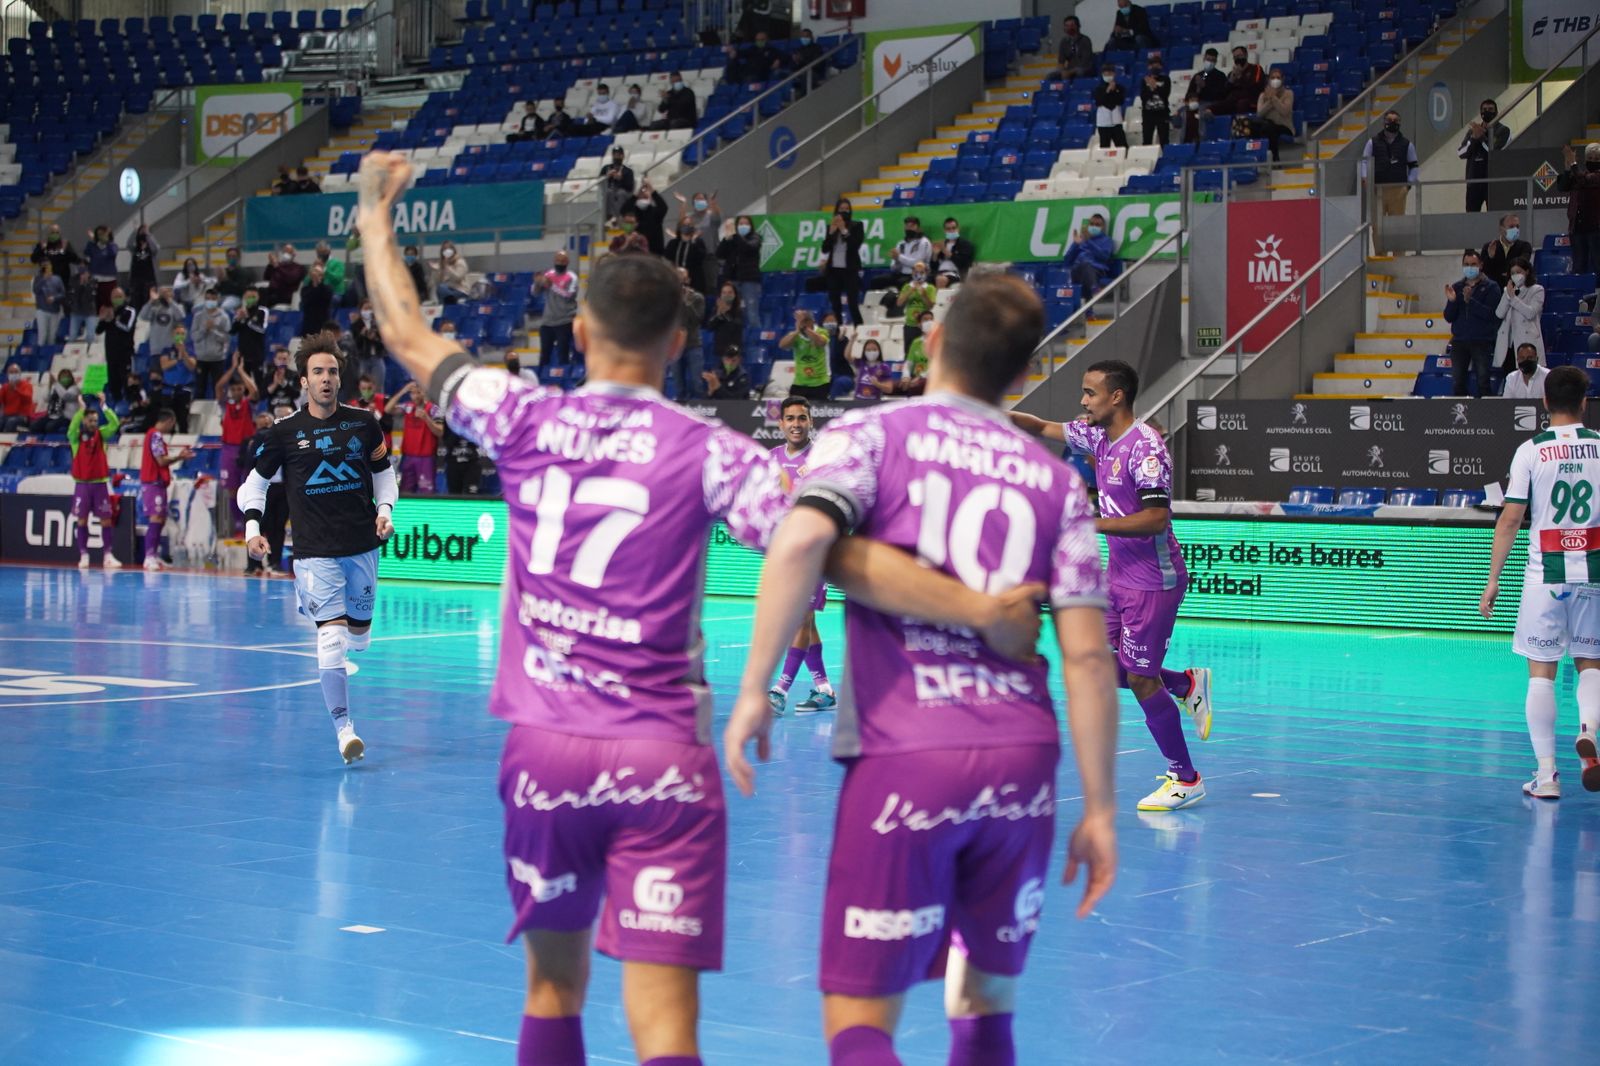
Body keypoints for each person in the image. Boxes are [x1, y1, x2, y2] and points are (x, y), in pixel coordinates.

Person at [352, 151, 1042, 1066]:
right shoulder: (713, 451)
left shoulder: (520, 415)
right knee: (667, 1032)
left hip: (546, 749)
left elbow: (404, 331)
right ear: (679, 343)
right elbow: (822, 552)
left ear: (580, 332)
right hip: (661, 757)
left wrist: (374, 215)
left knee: (552, 990)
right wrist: (977, 606)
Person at [724, 274, 1119, 1066]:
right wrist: (1102, 807)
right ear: (1022, 374)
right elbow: (1085, 653)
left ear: (932, 342)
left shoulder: (871, 435)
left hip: (907, 749)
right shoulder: (1059, 484)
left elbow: (802, 542)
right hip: (1021, 758)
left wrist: (754, 688)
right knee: (985, 1007)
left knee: (861, 1022)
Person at [1011, 360, 1216, 812]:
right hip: (1119, 577)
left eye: (1090, 393)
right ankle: (1184, 684)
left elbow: (1156, 518)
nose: (1083, 401)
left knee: (1140, 678)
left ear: (1116, 396)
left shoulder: (1146, 449)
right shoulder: (1096, 436)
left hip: (1153, 581)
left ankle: (1186, 778)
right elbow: (1041, 425)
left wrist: (1088, 523)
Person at [237, 335, 397, 764]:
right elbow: (253, 484)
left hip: (362, 546)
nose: (326, 379)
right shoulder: (284, 433)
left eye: (332, 372)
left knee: (359, 639)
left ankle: (357, 634)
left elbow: (384, 474)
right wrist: (252, 528)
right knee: (331, 638)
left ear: (340, 379)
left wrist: (384, 511)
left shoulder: (364, 424)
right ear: (304, 381)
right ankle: (345, 730)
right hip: (313, 553)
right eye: (318, 372)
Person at [1480, 365, 1600, 798]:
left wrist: (1493, 580)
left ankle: (1546, 776)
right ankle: (1588, 730)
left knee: (1541, 675)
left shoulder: (1530, 450)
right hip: (1593, 571)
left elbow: (1510, 519)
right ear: (1585, 402)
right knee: (1591, 663)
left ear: (1545, 402)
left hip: (1543, 576)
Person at [764, 396, 839, 715]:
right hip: (784, 550)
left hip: (814, 550)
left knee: (800, 617)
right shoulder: (771, 459)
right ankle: (824, 690)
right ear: (781, 423)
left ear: (811, 422)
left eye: (802, 418)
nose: (796, 424)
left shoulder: (823, 459)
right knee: (806, 621)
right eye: (791, 418)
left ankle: (779, 691)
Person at [69, 396, 123, 569]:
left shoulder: (102, 435)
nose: (93, 423)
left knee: (106, 520)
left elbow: (114, 424)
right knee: (82, 520)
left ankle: (108, 555)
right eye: (90, 420)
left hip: (100, 484)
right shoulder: (76, 439)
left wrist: (104, 406)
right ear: (84, 420)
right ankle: (84, 555)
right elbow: (71, 429)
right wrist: (81, 410)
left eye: (95, 420)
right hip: (82, 485)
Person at [138, 408, 193, 571]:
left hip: (158, 483)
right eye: (172, 424)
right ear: (169, 421)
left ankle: (153, 555)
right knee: (155, 518)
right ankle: (148, 557)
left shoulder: (154, 435)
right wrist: (179, 456)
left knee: (160, 520)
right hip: (152, 483)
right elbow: (161, 461)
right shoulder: (155, 435)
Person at [1443, 249, 1502, 399]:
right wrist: (1452, 302)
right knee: (1457, 382)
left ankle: (1486, 411)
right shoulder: (1457, 287)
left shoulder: (1492, 287)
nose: (1470, 267)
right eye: (1466, 264)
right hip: (1459, 341)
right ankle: (1461, 412)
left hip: (1482, 341)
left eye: (1473, 264)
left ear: (1481, 265)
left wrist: (1471, 301)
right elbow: (1449, 317)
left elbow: (1492, 315)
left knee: (1483, 381)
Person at [240, 408, 290, 575]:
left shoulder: (293, 437)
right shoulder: (263, 438)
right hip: (263, 487)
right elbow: (248, 462)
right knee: (258, 523)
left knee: (278, 526)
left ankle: (274, 563)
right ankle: (254, 564)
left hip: (282, 487)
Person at [1362, 110, 1419, 218]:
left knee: (1397, 225)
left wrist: (1408, 185)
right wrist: (1365, 177)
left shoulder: (1407, 144)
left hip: (1398, 190)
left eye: (1395, 120)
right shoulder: (1372, 142)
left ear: (1399, 123)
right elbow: (1365, 161)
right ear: (1383, 122)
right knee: (1377, 224)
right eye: (1389, 120)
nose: (1392, 122)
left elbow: (1414, 166)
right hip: (1377, 189)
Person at [1460, 99, 1511, 214]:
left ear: (1496, 112)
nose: (1487, 112)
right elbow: (1461, 153)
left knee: (1494, 217)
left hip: (1493, 182)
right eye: (1484, 109)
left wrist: (1482, 136)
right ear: (1480, 112)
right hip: (1474, 182)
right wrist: (1473, 138)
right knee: (1471, 218)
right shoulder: (1472, 132)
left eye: (1490, 109)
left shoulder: (1503, 130)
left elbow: (1495, 152)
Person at [1495, 258, 1545, 372]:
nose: (1515, 275)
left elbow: (1530, 313)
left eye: (1518, 272)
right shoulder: (1508, 291)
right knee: (1510, 375)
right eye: (1513, 273)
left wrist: (1513, 298)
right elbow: (1499, 313)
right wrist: (1508, 295)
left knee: (1527, 374)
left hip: (1527, 341)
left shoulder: (1537, 290)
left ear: (1526, 271)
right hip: (1508, 343)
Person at [393, 379, 443, 494]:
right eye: (412, 393)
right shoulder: (407, 407)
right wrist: (403, 391)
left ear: (424, 392)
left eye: (418, 392)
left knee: (427, 494)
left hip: (426, 459)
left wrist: (426, 418)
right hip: (408, 458)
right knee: (405, 492)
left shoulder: (434, 409)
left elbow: (440, 432)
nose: (415, 396)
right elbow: (388, 409)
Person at [1559, 143, 1600, 276]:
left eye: (1596, 159)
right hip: (1577, 227)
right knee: (1578, 266)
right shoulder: (1579, 175)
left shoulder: (1594, 177)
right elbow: (1563, 186)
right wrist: (1567, 168)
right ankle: (1579, 289)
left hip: (1596, 228)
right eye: (1590, 158)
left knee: (1598, 264)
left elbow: (1585, 181)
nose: (1593, 161)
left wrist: (1573, 163)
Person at [717, 215, 763, 331]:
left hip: (749, 280)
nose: (743, 226)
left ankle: (755, 338)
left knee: (752, 312)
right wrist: (726, 239)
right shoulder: (732, 239)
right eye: (741, 224)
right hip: (732, 279)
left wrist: (736, 236)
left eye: (746, 224)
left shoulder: (755, 238)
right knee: (729, 310)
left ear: (751, 226)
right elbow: (719, 254)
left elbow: (748, 248)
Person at [822, 203, 865, 325]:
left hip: (850, 269)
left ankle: (859, 327)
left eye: (847, 209)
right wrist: (831, 233)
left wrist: (844, 230)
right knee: (835, 303)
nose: (844, 211)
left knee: (852, 303)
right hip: (833, 270)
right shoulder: (831, 227)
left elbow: (854, 246)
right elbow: (825, 249)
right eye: (841, 209)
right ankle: (839, 327)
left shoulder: (857, 225)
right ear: (836, 211)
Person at [535, 251, 579, 368]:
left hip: (564, 321)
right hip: (547, 321)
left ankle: (564, 377)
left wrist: (552, 286)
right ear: (554, 261)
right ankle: (542, 376)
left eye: (562, 261)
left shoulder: (572, 277)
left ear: (567, 262)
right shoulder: (548, 274)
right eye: (558, 260)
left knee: (563, 355)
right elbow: (535, 293)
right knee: (544, 356)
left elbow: (569, 295)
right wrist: (537, 283)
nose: (560, 263)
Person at [669, 267, 706, 400]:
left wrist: (687, 303)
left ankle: (702, 408)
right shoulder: (670, 299)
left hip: (693, 344)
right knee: (678, 385)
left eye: (683, 278)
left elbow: (697, 320)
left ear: (688, 280)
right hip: (675, 346)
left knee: (697, 383)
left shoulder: (697, 298)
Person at [779, 308, 832, 400]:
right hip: (800, 383)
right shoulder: (795, 335)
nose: (802, 323)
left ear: (812, 321)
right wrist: (797, 331)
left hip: (820, 382)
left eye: (805, 321)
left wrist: (805, 328)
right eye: (800, 321)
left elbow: (821, 342)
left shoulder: (822, 332)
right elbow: (782, 345)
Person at [97, 287, 137, 406]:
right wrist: (103, 319)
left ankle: (130, 406)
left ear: (124, 297)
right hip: (111, 355)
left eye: (119, 296)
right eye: (114, 297)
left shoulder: (129, 311)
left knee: (127, 382)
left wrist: (113, 318)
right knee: (113, 383)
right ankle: (116, 406)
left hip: (125, 354)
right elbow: (98, 331)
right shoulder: (109, 311)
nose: (117, 299)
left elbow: (127, 327)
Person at [1063, 214, 1117, 295]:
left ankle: (1094, 290)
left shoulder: (1107, 240)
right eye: (1091, 224)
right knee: (1073, 270)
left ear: (1103, 227)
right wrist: (1076, 244)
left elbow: (1104, 256)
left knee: (1087, 265)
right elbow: (1067, 260)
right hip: (1078, 270)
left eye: (1097, 225)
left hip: (1097, 270)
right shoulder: (1081, 240)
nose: (1094, 226)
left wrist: (1088, 241)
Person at [1184, 49, 1227, 141]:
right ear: (1204, 59)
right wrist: (1197, 91)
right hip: (1197, 102)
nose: (1210, 62)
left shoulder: (1220, 76)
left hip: (1212, 103)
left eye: (1212, 60)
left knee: (1201, 110)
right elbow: (1189, 94)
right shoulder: (1198, 76)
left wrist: (1205, 86)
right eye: (1208, 59)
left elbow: (1221, 95)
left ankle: (1201, 141)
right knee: (1183, 112)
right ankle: (1184, 142)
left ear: (1216, 61)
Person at [1252, 70, 1295, 161]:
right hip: (1267, 125)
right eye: (1273, 78)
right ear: (1269, 80)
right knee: (1260, 127)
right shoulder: (1262, 96)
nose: (1275, 80)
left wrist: (1273, 98)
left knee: (1269, 129)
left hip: (1284, 126)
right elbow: (1259, 114)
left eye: (1278, 78)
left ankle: (1274, 158)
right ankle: (1256, 158)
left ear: (1282, 79)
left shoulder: (1288, 93)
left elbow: (1284, 111)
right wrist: (1269, 101)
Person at [1480, 214, 1532, 288]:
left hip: (1517, 286)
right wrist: (1490, 257)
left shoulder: (1525, 246)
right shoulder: (1489, 247)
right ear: (1501, 229)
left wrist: (1505, 272)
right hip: (1494, 288)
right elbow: (1484, 271)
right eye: (1511, 227)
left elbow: (1521, 264)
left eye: (1517, 227)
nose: (1515, 230)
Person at [137, 285, 182, 367]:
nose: (164, 295)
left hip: (170, 348)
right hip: (156, 349)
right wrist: (151, 301)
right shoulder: (154, 308)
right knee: (156, 373)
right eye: (162, 293)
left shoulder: (174, 307)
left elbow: (180, 316)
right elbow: (142, 316)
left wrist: (169, 300)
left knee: (169, 373)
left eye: (167, 292)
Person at [665, 219, 709, 297]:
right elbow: (667, 259)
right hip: (675, 278)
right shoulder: (673, 243)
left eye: (689, 225)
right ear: (680, 227)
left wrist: (693, 241)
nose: (687, 227)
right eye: (685, 225)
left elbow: (702, 257)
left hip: (694, 280)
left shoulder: (698, 242)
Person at [894, 310, 934, 395]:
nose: (929, 322)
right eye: (925, 320)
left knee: (916, 386)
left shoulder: (939, 342)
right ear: (919, 324)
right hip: (916, 378)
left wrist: (921, 377)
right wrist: (906, 376)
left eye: (931, 319)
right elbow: (908, 363)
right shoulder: (916, 342)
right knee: (895, 386)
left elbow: (937, 366)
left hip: (931, 379)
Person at [232, 288, 270, 378]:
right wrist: (238, 319)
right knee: (243, 381)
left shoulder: (262, 311)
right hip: (243, 354)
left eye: (253, 297)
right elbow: (232, 331)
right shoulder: (241, 311)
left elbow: (262, 329)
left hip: (256, 354)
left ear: (258, 297)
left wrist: (247, 318)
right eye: (248, 297)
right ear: (244, 297)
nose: (250, 299)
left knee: (258, 381)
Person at [896, 263, 936, 348]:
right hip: (909, 325)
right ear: (912, 273)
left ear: (926, 273)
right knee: (908, 350)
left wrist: (924, 295)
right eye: (916, 272)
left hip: (924, 325)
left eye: (921, 272)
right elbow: (899, 303)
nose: (918, 275)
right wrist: (910, 291)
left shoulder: (930, 288)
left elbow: (931, 306)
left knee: (925, 349)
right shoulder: (907, 286)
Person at [31, 368, 79, 434]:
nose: (65, 379)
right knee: (34, 426)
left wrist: (56, 383)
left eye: (67, 377)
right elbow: (46, 398)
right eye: (63, 377)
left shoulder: (74, 389)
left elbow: (65, 396)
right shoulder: (56, 388)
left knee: (50, 427)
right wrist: (50, 386)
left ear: (71, 378)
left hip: (67, 418)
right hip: (53, 415)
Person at [846, 335, 893, 400]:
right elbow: (847, 356)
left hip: (874, 402)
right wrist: (851, 341)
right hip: (858, 400)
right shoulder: (860, 362)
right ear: (864, 352)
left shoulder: (884, 367)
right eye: (868, 350)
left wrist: (878, 384)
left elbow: (889, 389)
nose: (871, 352)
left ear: (879, 351)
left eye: (874, 350)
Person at [1139, 58, 1172, 148]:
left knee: (1164, 139)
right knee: (1147, 140)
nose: (1155, 67)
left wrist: (1155, 86)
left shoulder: (1166, 79)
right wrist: (1151, 88)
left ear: (1161, 67)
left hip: (1162, 113)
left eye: (1157, 65)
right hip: (1148, 114)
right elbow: (1143, 97)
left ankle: (1165, 154)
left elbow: (1165, 94)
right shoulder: (1144, 80)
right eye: (1152, 65)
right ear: (1149, 67)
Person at [932, 217, 974, 288]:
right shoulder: (942, 243)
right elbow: (933, 266)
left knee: (941, 279)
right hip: (938, 272)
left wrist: (945, 251)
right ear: (945, 231)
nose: (951, 231)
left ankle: (939, 295)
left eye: (954, 228)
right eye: (948, 229)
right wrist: (935, 254)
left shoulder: (965, 244)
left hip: (955, 273)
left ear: (958, 229)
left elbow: (963, 263)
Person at [1093, 66, 1128, 149]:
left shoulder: (1120, 88)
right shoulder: (1099, 89)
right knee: (1104, 146)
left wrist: (1114, 90)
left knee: (1122, 145)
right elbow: (1098, 102)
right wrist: (1107, 91)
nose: (1108, 76)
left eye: (1109, 74)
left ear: (1114, 74)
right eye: (1105, 74)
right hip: (1103, 122)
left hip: (1116, 121)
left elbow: (1120, 101)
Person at [84, 225, 119, 309]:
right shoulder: (92, 246)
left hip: (109, 280)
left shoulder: (112, 246)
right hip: (96, 280)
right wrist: (93, 241)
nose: (102, 236)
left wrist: (107, 242)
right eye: (99, 234)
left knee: (110, 304)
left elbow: (113, 253)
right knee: (98, 304)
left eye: (104, 234)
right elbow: (86, 253)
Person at [708, 282, 744, 362]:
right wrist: (719, 314)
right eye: (724, 293)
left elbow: (734, 328)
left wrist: (725, 314)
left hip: (733, 352)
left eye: (729, 292)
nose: (726, 295)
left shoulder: (739, 311)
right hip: (719, 352)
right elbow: (710, 326)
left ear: (734, 295)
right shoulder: (716, 310)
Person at [32, 261, 64, 346]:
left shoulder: (57, 279)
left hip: (54, 311)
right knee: (42, 335)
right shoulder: (38, 278)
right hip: (42, 310)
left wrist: (54, 298)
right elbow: (35, 290)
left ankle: (50, 353)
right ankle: (39, 353)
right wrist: (44, 279)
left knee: (52, 336)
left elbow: (62, 294)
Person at [600, 146, 635, 221]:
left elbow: (630, 186)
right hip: (610, 190)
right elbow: (599, 181)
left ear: (622, 156)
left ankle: (618, 216)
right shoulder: (606, 168)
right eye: (615, 155)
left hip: (623, 191)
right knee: (609, 192)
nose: (616, 157)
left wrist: (621, 179)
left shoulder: (628, 171)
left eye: (619, 155)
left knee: (620, 193)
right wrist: (607, 177)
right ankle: (610, 216)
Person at [128, 225, 159, 309]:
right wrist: (135, 232)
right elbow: (129, 244)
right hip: (136, 279)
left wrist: (148, 234)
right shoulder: (135, 249)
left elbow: (156, 248)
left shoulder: (151, 250)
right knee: (136, 301)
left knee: (148, 301)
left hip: (149, 279)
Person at [216, 247, 256, 313]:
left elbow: (240, 290)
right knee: (204, 307)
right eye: (229, 256)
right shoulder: (225, 271)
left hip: (236, 297)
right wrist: (219, 281)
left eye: (234, 256)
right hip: (223, 296)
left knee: (225, 307)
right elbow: (217, 289)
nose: (231, 258)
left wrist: (226, 279)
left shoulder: (243, 272)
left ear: (238, 258)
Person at [1055, 16, 1094, 80]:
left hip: (1084, 68)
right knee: (1051, 76)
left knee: (1080, 72)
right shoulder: (1064, 42)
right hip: (1069, 68)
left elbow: (1085, 62)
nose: (1069, 28)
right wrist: (1062, 70)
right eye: (1067, 26)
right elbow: (1061, 61)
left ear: (1078, 26)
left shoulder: (1085, 40)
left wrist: (1070, 72)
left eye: (1072, 25)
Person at [65, 263, 96, 341]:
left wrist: (87, 284)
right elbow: (73, 295)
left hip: (89, 312)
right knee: (72, 335)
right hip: (76, 311)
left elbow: (92, 297)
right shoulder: (73, 280)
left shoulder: (93, 281)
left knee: (90, 336)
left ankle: (89, 348)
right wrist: (80, 285)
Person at [1, 362, 35, 431]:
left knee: (11, 422)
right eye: (11, 372)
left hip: (22, 416)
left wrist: (16, 389)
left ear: (20, 373)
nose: (13, 374)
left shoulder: (27, 385)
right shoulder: (5, 387)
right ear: (7, 374)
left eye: (16, 372)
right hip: (7, 415)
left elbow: (28, 399)